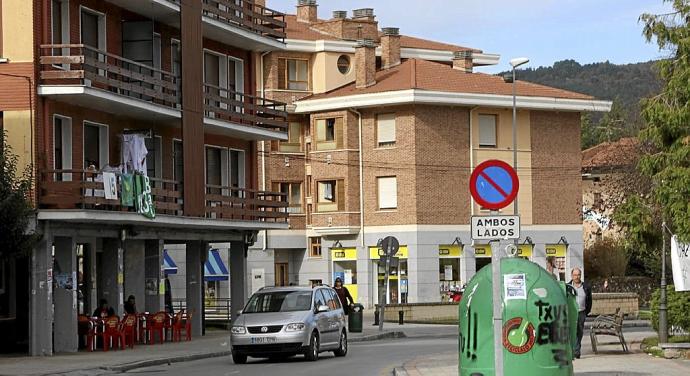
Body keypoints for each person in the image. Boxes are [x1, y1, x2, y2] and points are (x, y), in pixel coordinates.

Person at [567, 267, 592, 359]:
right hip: (571, 313)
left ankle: (576, 350)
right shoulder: (568, 286)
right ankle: (574, 350)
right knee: (571, 331)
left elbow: (589, 300)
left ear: (580, 275)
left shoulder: (586, 287)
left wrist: (586, 312)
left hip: (581, 312)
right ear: (572, 276)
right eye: (575, 275)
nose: (576, 277)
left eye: (578, 275)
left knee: (579, 331)